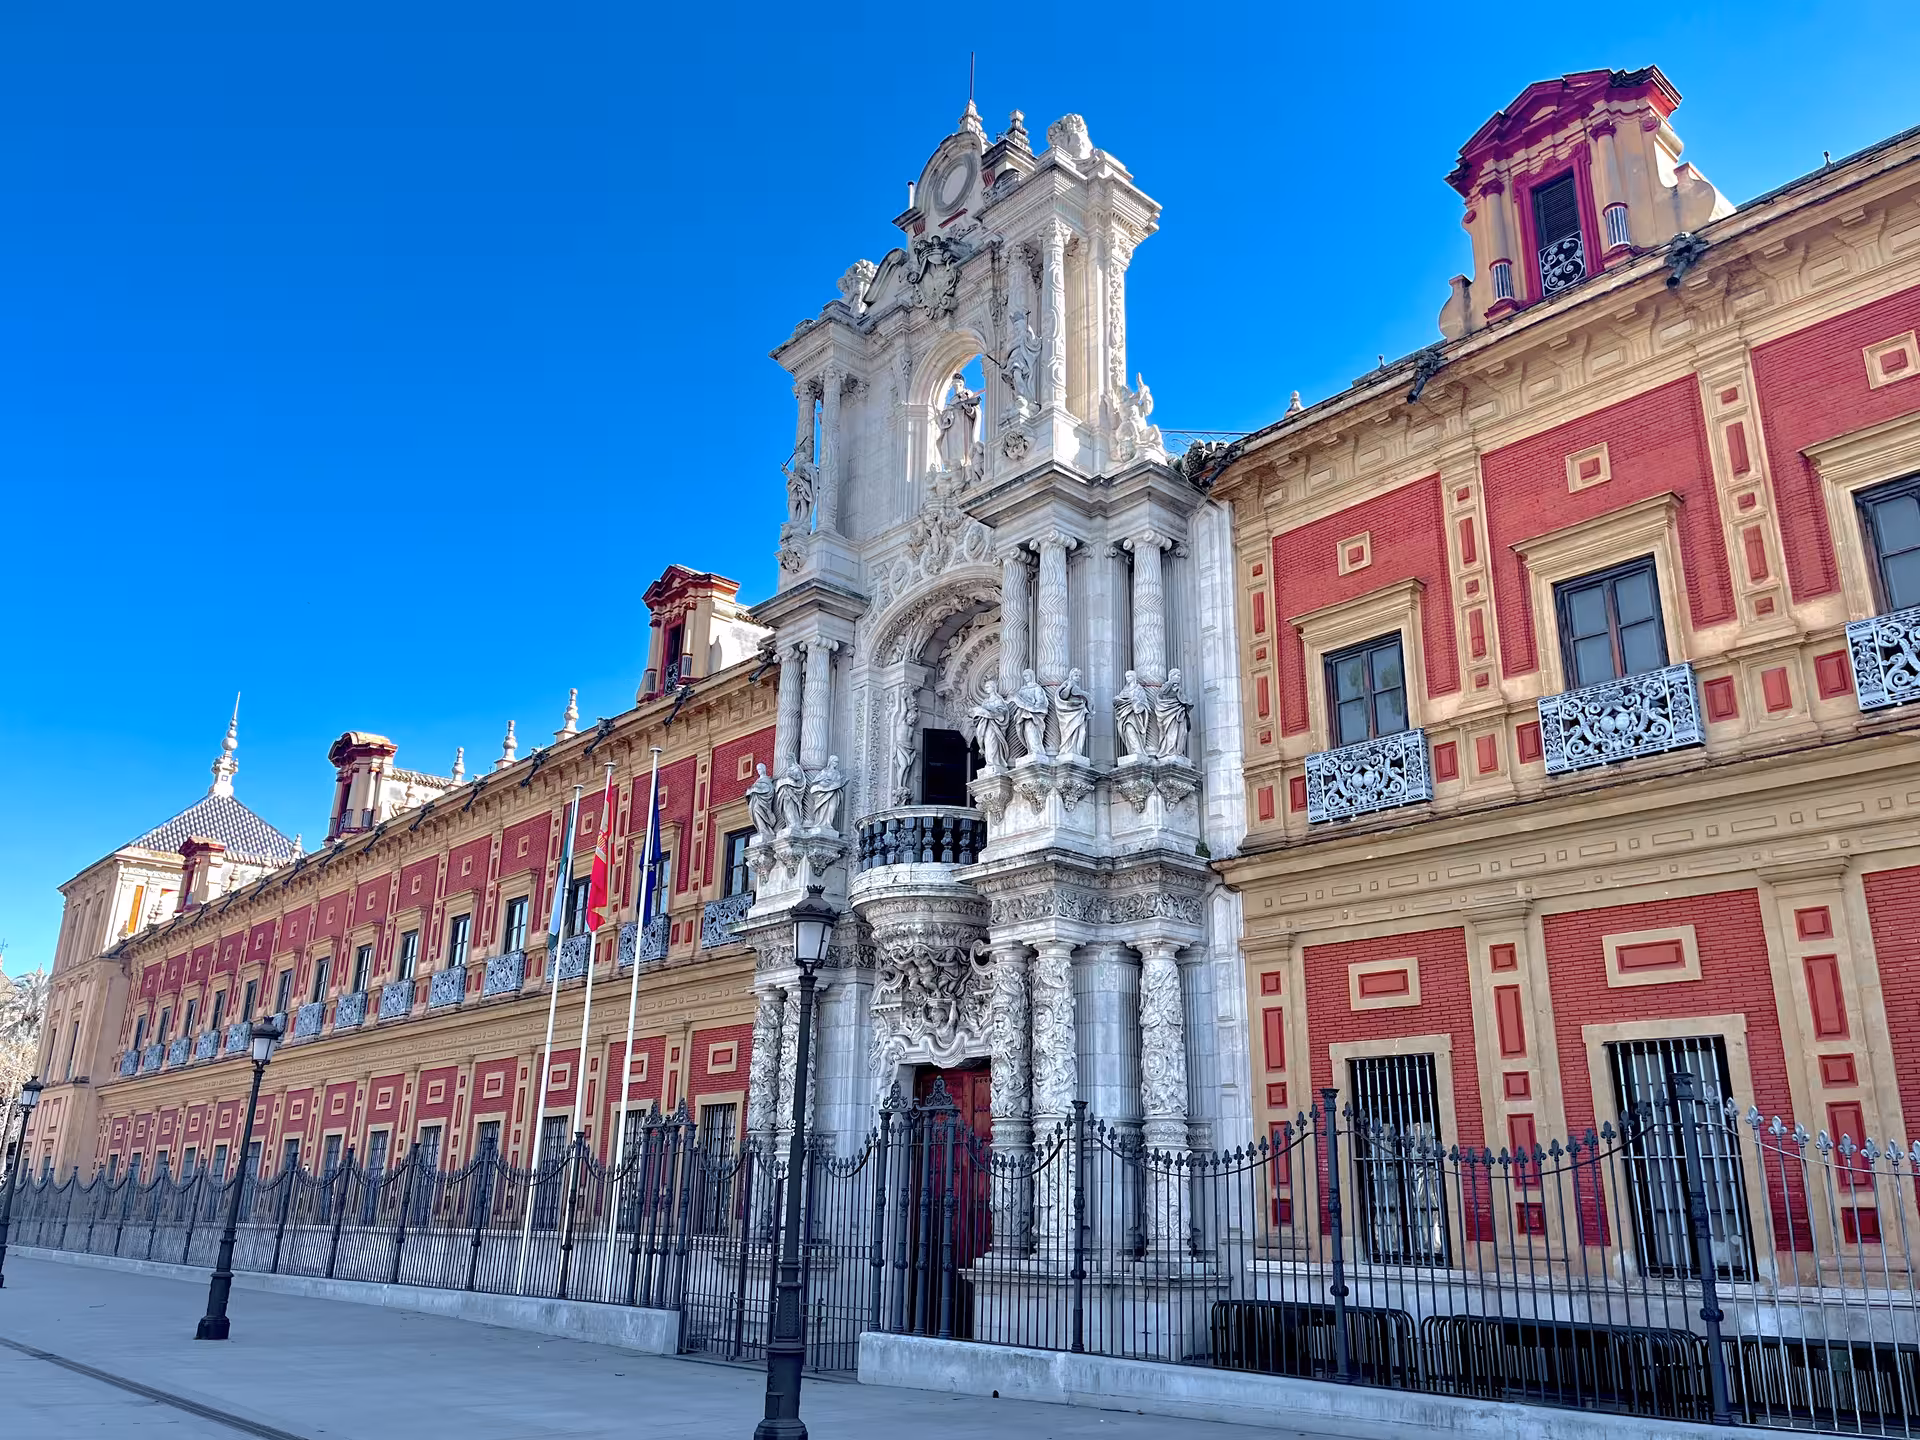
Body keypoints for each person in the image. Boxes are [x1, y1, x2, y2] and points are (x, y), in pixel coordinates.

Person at [1052, 668, 1090, 761]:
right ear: (1071, 676)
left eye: (1079, 676)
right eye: (1076, 675)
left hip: (1079, 711)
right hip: (1068, 712)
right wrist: (1069, 686)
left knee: (1081, 731)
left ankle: (1076, 750)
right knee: (1068, 731)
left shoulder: (1078, 687)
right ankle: (1067, 749)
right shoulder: (1067, 683)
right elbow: (1063, 696)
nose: (1078, 678)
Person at [1114, 669, 1153, 759]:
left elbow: (1145, 704)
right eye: (1126, 677)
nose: (1127, 678)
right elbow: (1119, 701)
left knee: (1132, 730)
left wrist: (1136, 704)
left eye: (1129, 676)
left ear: (1134, 677)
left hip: (1135, 716)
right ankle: (1133, 751)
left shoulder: (1139, 689)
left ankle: (1138, 751)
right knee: (1128, 730)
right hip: (1125, 715)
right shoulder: (1124, 690)